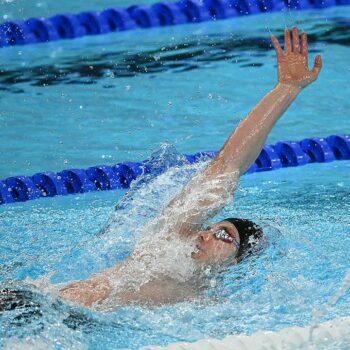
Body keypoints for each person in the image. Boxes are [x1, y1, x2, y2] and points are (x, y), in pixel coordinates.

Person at [58, 27, 322, 309]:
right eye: (212, 227)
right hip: (44, 304)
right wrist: (286, 89)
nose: (206, 233)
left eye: (224, 236)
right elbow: (227, 166)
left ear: (236, 263)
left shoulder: (204, 301)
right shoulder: (169, 241)